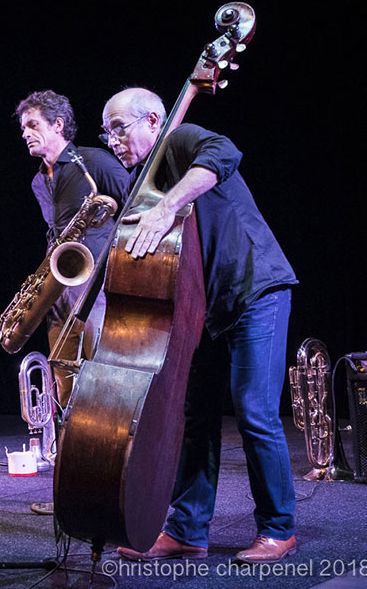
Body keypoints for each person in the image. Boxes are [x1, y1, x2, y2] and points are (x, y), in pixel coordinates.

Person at [102, 88, 298, 564]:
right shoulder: (142, 184)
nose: (112, 140)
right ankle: (187, 529)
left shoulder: (181, 139)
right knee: (196, 418)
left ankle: (279, 529)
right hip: (202, 310)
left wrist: (167, 206)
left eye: (119, 128)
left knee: (254, 412)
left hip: (256, 291)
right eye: (106, 133)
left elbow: (225, 152)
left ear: (153, 120)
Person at [15, 90, 131, 515]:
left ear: (58, 125)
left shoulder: (93, 162)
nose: (25, 134)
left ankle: (113, 488)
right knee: (64, 388)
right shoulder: (37, 180)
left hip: (98, 289)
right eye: (23, 127)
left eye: (33, 125)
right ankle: (71, 491)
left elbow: (137, 206)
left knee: (100, 390)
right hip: (60, 290)